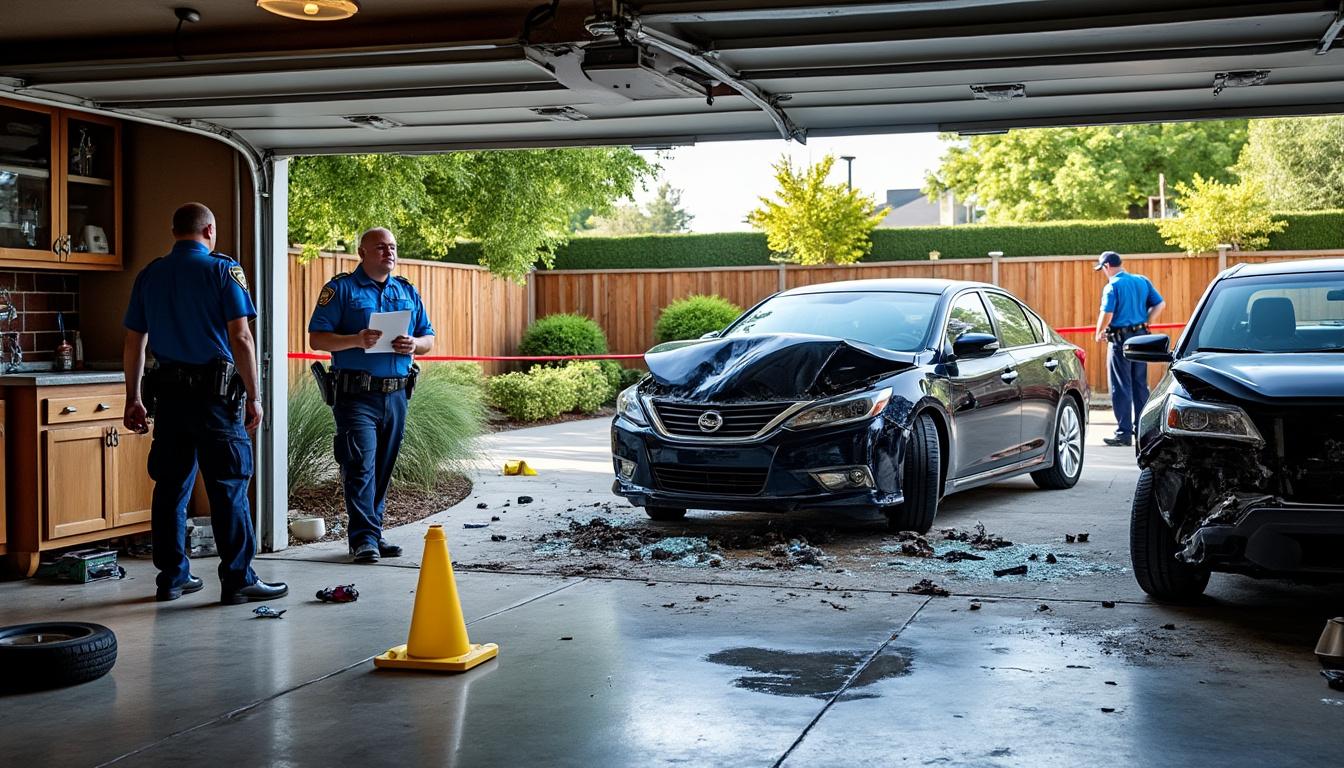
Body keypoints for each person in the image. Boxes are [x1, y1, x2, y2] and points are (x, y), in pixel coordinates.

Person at [123, 202, 288, 604]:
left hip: (169, 399)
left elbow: (134, 343)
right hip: (215, 400)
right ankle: (238, 579)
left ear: (174, 231)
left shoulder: (150, 275)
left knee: (170, 487)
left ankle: (172, 578)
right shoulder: (222, 270)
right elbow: (241, 337)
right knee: (228, 485)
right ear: (210, 231)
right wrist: (255, 395)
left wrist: (133, 398)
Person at [308, 227, 434, 563]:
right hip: (356, 396)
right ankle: (363, 538)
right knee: (360, 464)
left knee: (382, 466)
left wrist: (414, 344)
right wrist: (356, 339)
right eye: (380, 247)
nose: (388, 252)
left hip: (396, 394)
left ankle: (373, 532)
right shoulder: (341, 289)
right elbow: (317, 338)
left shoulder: (406, 290)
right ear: (362, 252)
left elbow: (428, 338)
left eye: (392, 247)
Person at [1093, 250, 1166, 447]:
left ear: (1107, 266)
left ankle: (1123, 433)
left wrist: (1099, 332)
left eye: (1102, 269)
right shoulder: (1142, 281)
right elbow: (1160, 304)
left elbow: (1107, 313)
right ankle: (1144, 432)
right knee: (1140, 385)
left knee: (1121, 385)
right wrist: (1146, 322)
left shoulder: (1112, 286)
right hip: (1141, 338)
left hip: (1120, 340)